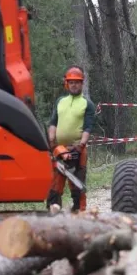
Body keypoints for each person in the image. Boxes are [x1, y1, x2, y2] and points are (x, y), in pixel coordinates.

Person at [46, 66, 95, 213]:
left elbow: (87, 128)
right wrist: (51, 141)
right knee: (55, 182)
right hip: (59, 149)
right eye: (71, 82)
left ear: (82, 84)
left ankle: (79, 210)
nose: (74, 85)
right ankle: (53, 211)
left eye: (77, 82)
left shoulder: (87, 104)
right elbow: (53, 122)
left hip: (77, 148)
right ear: (67, 83)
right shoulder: (60, 101)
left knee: (77, 182)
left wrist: (81, 145)